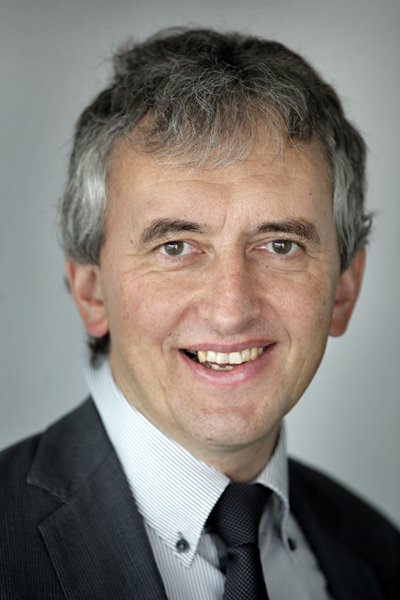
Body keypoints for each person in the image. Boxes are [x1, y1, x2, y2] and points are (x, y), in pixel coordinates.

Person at [0, 28, 399, 600]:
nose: (231, 310)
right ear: (91, 290)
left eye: (280, 245)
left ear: (343, 289)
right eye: (176, 247)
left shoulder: (380, 555)